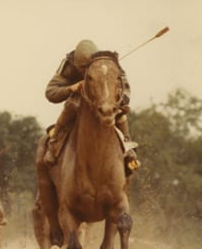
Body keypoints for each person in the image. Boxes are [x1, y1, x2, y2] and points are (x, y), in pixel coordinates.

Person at [44, 40, 139, 174]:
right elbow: (50, 92)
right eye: (81, 69)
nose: (83, 72)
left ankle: (128, 150)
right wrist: (71, 88)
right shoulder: (68, 66)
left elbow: (125, 88)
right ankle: (54, 144)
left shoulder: (110, 65)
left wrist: (119, 103)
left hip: (104, 100)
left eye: (86, 68)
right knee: (71, 105)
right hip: (79, 99)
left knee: (120, 115)